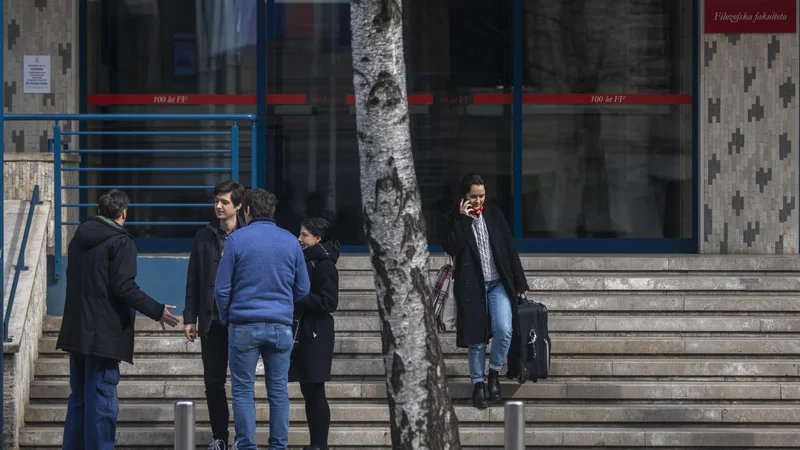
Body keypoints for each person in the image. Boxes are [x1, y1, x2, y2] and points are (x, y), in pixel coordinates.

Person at [56, 189, 180, 449]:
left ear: (100, 211)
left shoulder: (78, 239)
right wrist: (157, 310)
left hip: (78, 332)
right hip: (103, 336)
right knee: (101, 404)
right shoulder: (121, 242)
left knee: (79, 400)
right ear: (124, 213)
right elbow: (124, 287)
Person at [215, 188, 311, 450]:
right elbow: (303, 287)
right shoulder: (291, 241)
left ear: (247, 211)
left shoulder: (236, 240)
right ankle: (278, 446)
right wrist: (283, 303)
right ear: (273, 211)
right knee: (278, 392)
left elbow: (222, 288)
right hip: (280, 325)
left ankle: (246, 446)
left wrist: (228, 317)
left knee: (243, 391)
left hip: (244, 324)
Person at [439, 173, 529, 409]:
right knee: (476, 340)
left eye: (482, 196)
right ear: (464, 196)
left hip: (498, 282)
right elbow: (452, 246)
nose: (478, 201)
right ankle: (478, 384)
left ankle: (494, 374)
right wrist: (464, 220)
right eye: (473, 196)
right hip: (472, 285)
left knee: (504, 329)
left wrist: (520, 283)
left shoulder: (494, 214)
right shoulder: (452, 218)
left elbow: (509, 248)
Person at [183, 180, 246, 450]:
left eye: (224, 202)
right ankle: (220, 436)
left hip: (242, 321)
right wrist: (189, 317)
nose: (218, 206)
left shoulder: (248, 235)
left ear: (239, 206)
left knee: (242, 384)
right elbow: (194, 279)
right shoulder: (204, 236)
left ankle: (243, 439)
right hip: (212, 321)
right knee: (213, 382)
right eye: (216, 201)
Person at [291, 218, 341, 450]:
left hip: (316, 334)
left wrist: (299, 298)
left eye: (304, 235)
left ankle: (320, 444)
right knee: (309, 391)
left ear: (317, 239)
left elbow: (330, 301)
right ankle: (316, 444)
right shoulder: (306, 261)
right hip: (304, 332)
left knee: (315, 391)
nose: (299, 239)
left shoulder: (324, 264)